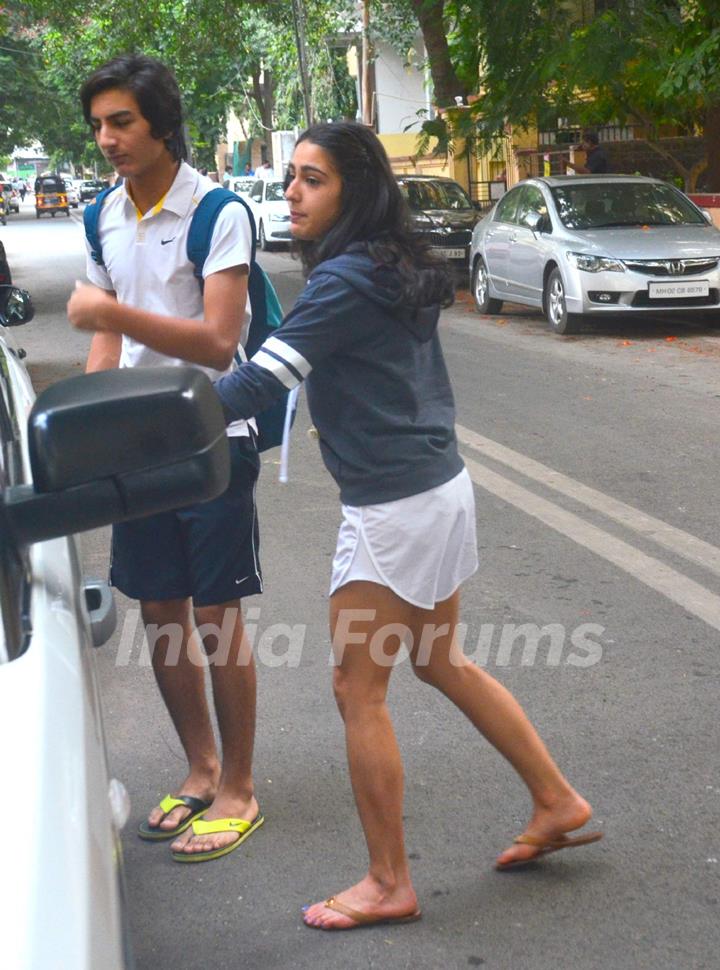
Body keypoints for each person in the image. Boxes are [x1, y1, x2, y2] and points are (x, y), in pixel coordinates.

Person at [211, 122, 602, 927]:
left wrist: (155, 418)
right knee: (439, 660)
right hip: (433, 487)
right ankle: (557, 800)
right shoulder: (388, 264)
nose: (291, 191)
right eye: (290, 177)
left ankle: (389, 882)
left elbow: (262, 382)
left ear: (353, 188)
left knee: (358, 688)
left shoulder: (348, 279)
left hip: (395, 506)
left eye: (311, 179)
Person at [67, 54, 265, 863]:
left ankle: (240, 788)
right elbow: (105, 341)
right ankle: (200, 767)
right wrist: (84, 424)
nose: (108, 139)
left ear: (160, 124)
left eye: (122, 122)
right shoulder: (99, 218)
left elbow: (219, 340)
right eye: (99, 126)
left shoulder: (219, 211)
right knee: (160, 614)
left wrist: (111, 311)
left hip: (212, 433)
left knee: (217, 620)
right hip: (138, 444)